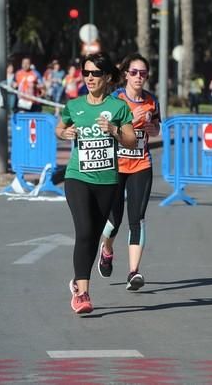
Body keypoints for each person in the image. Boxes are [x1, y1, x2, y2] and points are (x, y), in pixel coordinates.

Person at [55, 52, 137, 314]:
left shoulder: (119, 107)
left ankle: (78, 282)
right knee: (84, 231)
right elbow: (60, 127)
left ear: (108, 77)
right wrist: (64, 132)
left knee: (93, 236)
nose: (90, 78)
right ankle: (82, 293)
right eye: (86, 72)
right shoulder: (74, 105)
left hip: (107, 180)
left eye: (96, 73)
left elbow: (131, 141)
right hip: (78, 176)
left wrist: (113, 131)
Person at [98, 54, 160, 291]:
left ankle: (133, 272)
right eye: (134, 72)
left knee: (138, 218)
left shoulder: (151, 100)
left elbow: (156, 128)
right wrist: (129, 122)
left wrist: (152, 127)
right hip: (116, 165)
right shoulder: (115, 99)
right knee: (114, 220)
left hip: (141, 164)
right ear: (125, 74)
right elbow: (104, 129)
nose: (138, 77)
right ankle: (107, 249)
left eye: (143, 73)